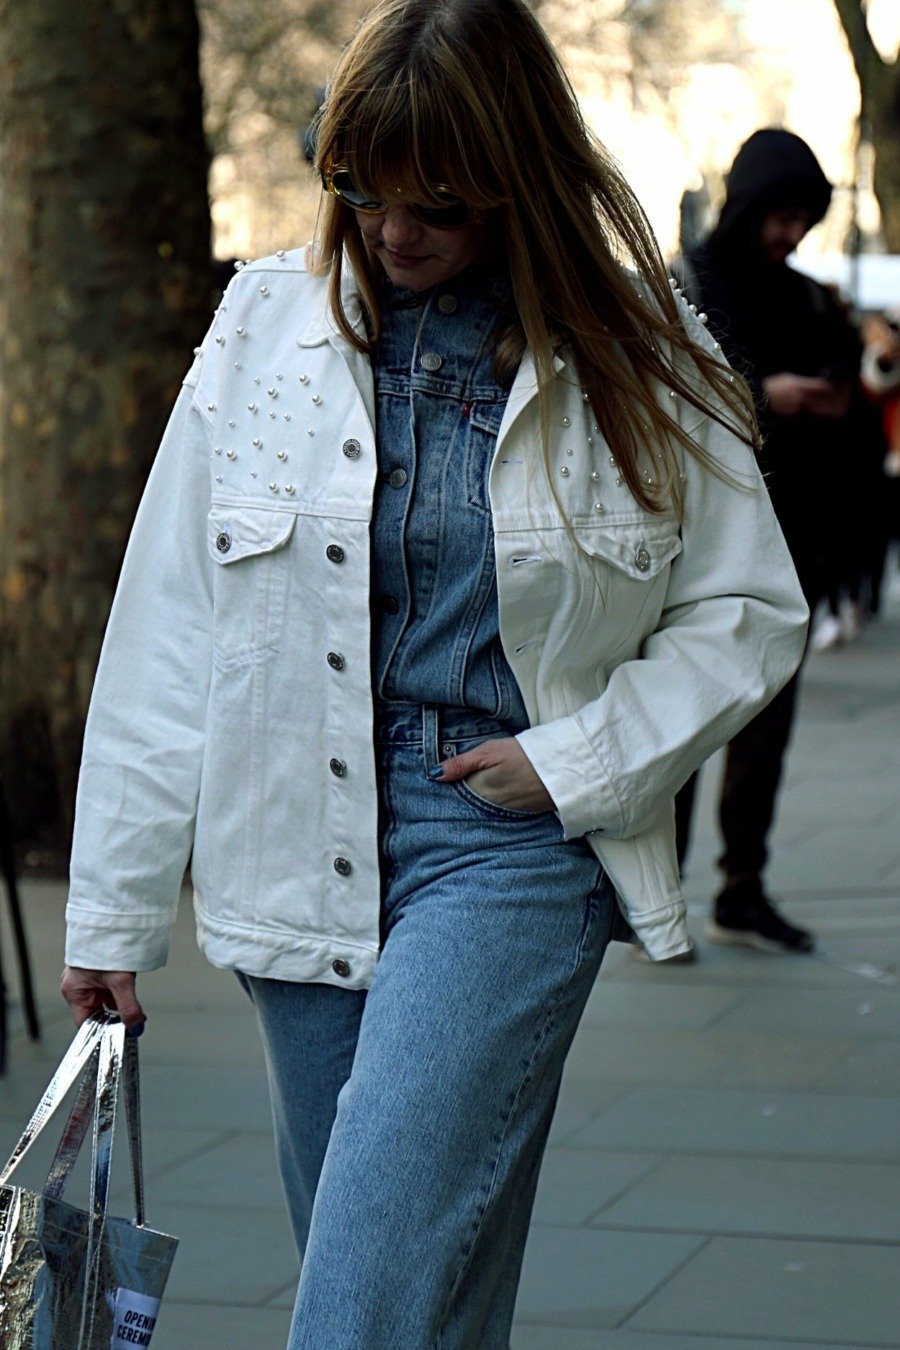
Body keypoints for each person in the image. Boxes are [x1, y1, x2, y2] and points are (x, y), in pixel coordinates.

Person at [60, 4, 807, 1345]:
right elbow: (171, 624)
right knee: (418, 1287)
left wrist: (577, 760)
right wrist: (111, 913)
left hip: (504, 841)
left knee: (360, 1297)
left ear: (516, 187)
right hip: (292, 830)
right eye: (360, 190)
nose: (393, 231)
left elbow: (747, 610)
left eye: (439, 205)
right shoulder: (257, 332)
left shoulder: (643, 350)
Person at [673, 127, 860, 957]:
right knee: (678, 718)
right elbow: (670, 391)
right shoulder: (692, 285)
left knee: (767, 728)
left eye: (801, 218)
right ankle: (653, 893)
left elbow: (848, 384)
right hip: (702, 544)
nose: (789, 234)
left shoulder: (805, 296)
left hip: (791, 539)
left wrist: (830, 385)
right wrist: (763, 394)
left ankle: (742, 889)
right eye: (778, 215)